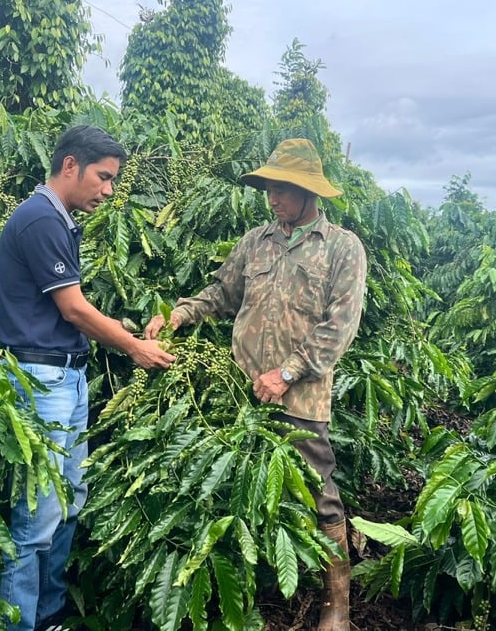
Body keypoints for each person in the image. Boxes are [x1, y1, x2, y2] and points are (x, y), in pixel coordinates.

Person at [144, 138, 367, 631]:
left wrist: (287, 372)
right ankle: (252, 590)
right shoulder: (256, 241)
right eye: (268, 188)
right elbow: (223, 293)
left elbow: (340, 326)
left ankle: (337, 606)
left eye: (282, 189)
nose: (273, 198)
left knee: (317, 491)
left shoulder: (342, 247)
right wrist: (178, 315)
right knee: (242, 488)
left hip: (301, 397)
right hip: (241, 391)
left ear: (310, 192)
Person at [0, 124, 175, 631]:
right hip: (41, 381)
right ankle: (18, 624)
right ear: (69, 165)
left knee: (68, 502)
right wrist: (135, 346)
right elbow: (73, 310)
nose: (109, 190)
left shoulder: (61, 219)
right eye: (103, 177)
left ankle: (48, 613)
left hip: (65, 381)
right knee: (35, 519)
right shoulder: (39, 220)